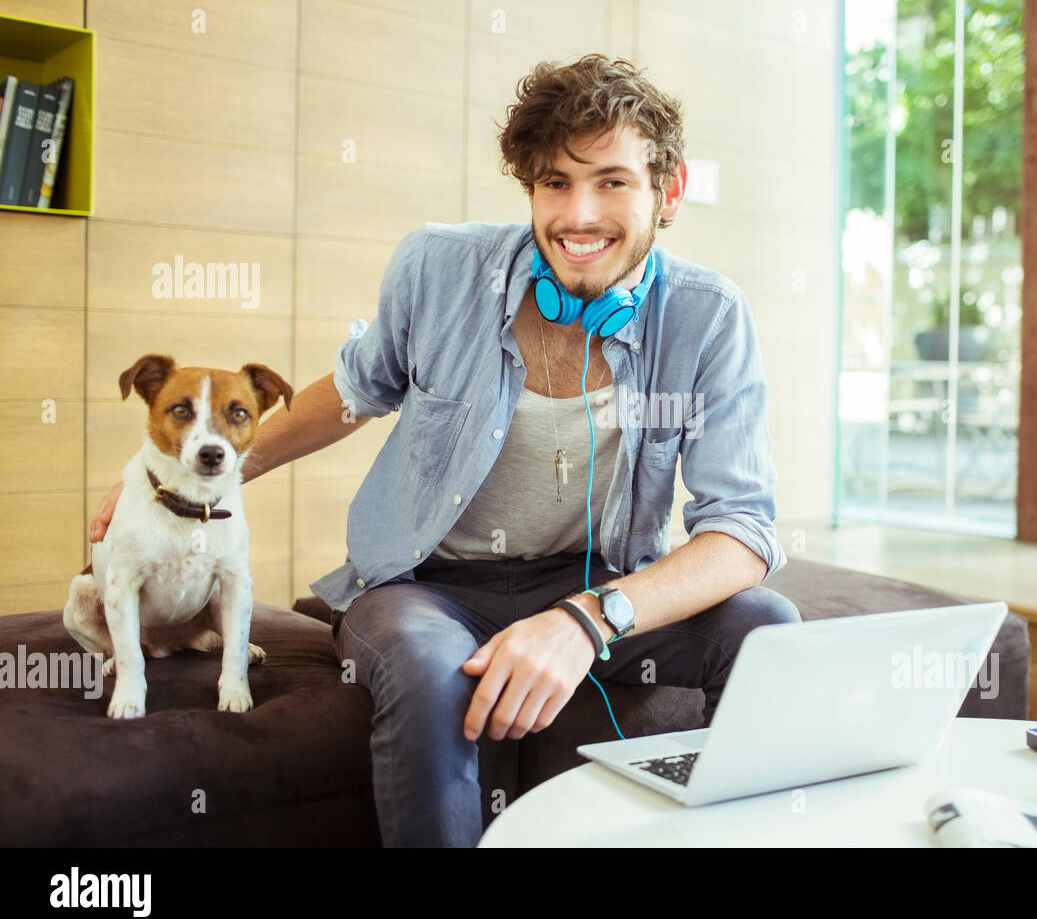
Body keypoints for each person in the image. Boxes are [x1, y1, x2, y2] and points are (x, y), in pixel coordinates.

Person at [89, 53, 800, 847]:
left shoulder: (709, 319)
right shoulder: (439, 269)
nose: (579, 214)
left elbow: (743, 531)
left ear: (667, 193)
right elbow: (353, 393)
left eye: (612, 181)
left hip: (596, 584)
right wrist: (186, 485)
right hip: (428, 586)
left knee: (767, 624)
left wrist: (590, 619)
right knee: (430, 676)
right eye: (554, 183)